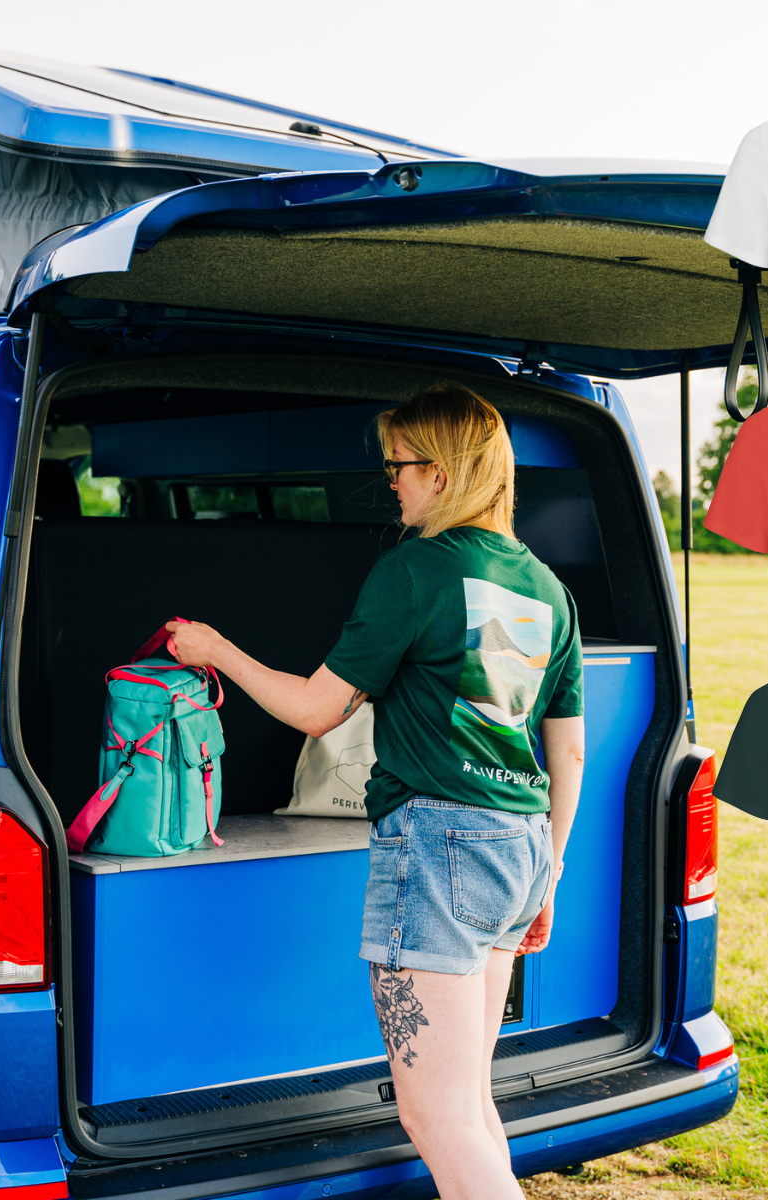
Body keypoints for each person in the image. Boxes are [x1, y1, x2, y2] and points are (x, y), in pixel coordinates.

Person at [165, 384, 585, 1200]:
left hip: (439, 850)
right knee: (468, 1102)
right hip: (523, 845)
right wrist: (554, 874)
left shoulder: (417, 571)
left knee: (436, 1115)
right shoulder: (548, 589)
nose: (390, 482)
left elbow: (320, 711)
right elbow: (566, 751)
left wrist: (215, 648)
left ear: (443, 471)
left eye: (397, 465)